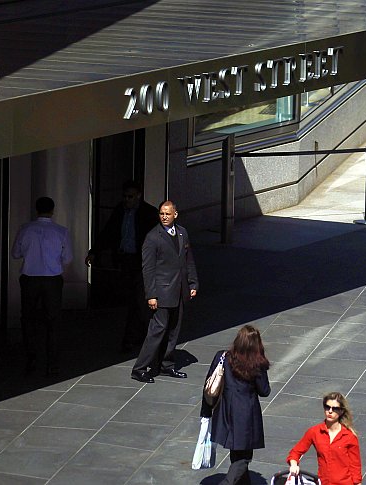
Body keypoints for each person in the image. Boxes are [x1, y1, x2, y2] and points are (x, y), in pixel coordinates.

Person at [85, 180, 157, 352]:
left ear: (138, 196)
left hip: (142, 262)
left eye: (130, 197)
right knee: (131, 299)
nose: (127, 200)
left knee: (139, 301)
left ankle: (135, 337)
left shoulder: (148, 213)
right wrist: (95, 251)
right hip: (126, 260)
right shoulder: (120, 211)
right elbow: (109, 232)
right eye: (125, 197)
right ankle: (135, 336)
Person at [130, 200, 198, 383]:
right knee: (157, 329)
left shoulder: (183, 232)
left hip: (180, 290)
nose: (164, 217)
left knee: (174, 330)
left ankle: (166, 365)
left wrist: (192, 284)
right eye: (161, 214)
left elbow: (188, 260)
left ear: (175, 214)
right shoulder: (153, 237)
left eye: (168, 214)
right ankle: (140, 368)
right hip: (162, 292)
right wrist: (151, 294)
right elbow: (148, 269)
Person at [201, 325, 271, 485]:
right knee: (244, 457)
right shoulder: (256, 362)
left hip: (225, 410)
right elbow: (264, 390)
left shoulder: (223, 356)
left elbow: (208, 384)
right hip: (245, 414)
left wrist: (206, 412)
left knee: (237, 451)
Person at [11, 196, 73, 376]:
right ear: (52, 210)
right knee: (53, 321)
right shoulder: (61, 231)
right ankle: (52, 362)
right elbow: (67, 258)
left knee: (28, 319)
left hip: (30, 278)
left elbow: (16, 253)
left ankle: (31, 358)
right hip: (52, 279)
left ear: (36, 210)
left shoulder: (25, 229)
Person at [287, 392, 362, 485]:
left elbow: (355, 467)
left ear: (341, 411)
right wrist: (294, 465)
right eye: (327, 407)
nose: (330, 411)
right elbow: (295, 452)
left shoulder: (349, 436)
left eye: (335, 409)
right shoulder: (314, 432)